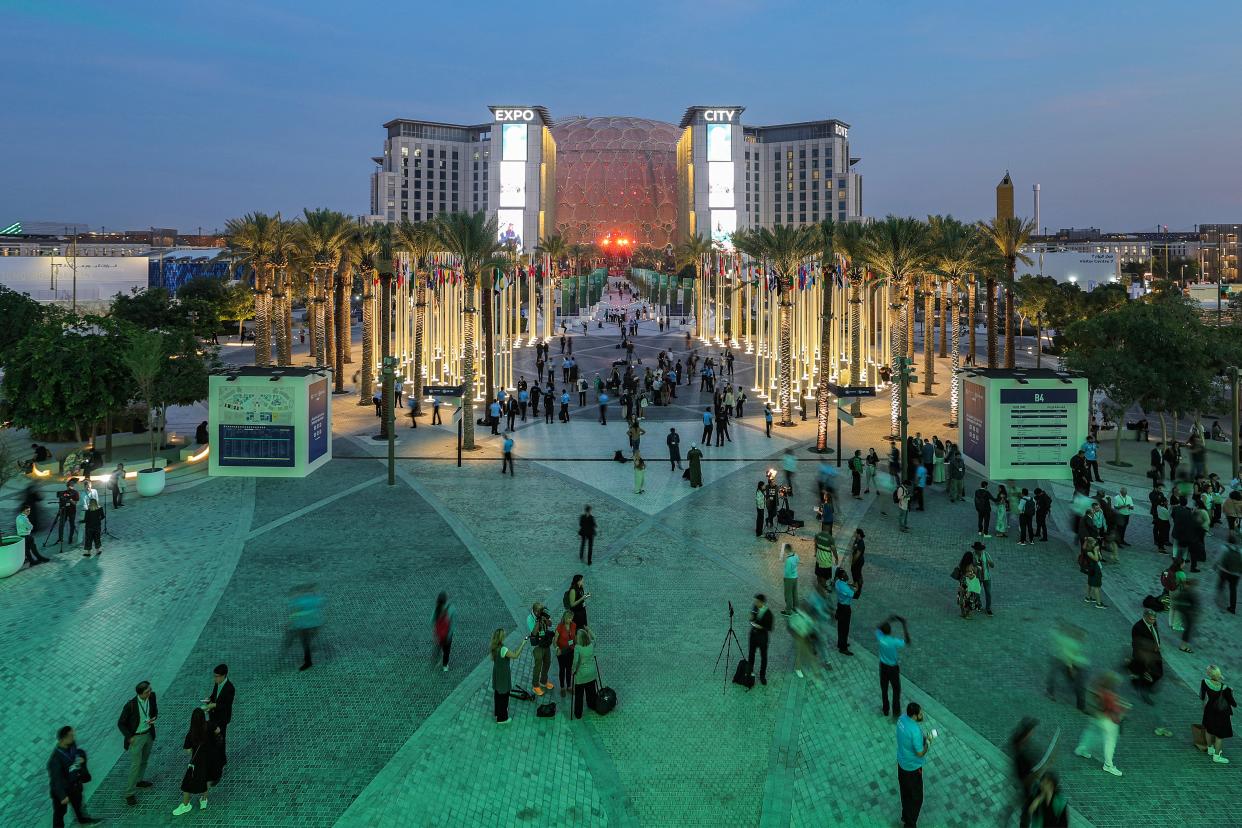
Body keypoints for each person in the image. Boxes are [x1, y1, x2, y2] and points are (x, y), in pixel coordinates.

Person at [1074, 671, 1127, 776]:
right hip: (1107, 720)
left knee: (1091, 732)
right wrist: (1123, 709)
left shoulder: (1095, 687)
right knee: (1110, 741)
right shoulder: (1109, 694)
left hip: (1096, 716)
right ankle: (1108, 765)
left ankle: (1081, 749)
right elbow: (1115, 709)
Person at [173, 706, 223, 816]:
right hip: (212, 758)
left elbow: (187, 749)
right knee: (207, 778)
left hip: (198, 761)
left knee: (187, 783)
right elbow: (218, 730)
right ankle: (204, 800)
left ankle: (186, 805)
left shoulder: (192, 733)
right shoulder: (210, 725)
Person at [48, 726, 100, 826]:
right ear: (63, 739)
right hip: (63, 790)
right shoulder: (55, 759)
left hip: (74, 785)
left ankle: (83, 820)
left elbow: (76, 754)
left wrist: (81, 759)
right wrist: (62, 796)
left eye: (73, 735)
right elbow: (56, 779)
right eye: (71, 736)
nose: (74, 737)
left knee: (79, 805)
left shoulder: (71, 745)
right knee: (60, 813)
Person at [118, 680, 158, 806]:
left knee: (144, 761)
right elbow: (121, 723)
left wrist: (154, 718)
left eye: (150, 690)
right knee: (135, 765)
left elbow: (155, 710)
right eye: (147, 692)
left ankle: (139, 781)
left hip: (148, 734)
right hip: (136, 737)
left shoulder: (152, 697)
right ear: (140, 693)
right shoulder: (131, 705)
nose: (150, 692)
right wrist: (129, 737)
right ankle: (129, 793)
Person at [896, 702, 934, 827]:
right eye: (920, 714)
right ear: (914, 715)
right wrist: (927, 743)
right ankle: (910, 824)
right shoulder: (915, 731)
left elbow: (910, 736)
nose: (922, 715)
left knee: (905, 793)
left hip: (901, 764)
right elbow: (919, 753)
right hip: (912, 769)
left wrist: (922, 738)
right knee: (917, 798)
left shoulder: (901, 719)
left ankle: (905, 816)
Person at [1046, 620, 1088, 712]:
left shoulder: (1069, 640)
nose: (1084, 639)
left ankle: (1050, 692)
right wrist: (1071, 668)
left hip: (1062, 659)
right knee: (1055, 676)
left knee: (1055, 675)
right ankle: (1080, 706)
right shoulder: (1072, 643)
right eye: (1083, 636)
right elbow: (1067, 656)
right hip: (1061, 659)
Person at [489, 628, 527, 725]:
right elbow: (515, 655)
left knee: (498, 694)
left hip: (497, 673)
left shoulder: (494, 646)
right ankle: (502, 718)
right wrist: (522, 644)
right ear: (501, 638)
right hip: (503, 675)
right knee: (504, 696)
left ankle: (498, 713)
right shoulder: (503, 649)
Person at [1200, 665, 1236, 764]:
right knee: (1219, 736)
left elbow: (1202, 696)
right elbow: (1233, 703)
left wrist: (1203, 706)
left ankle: (1210, 749)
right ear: (1218, 674)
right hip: (1221, 714)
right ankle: (1217, 756)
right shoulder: (1225, 688)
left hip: (1209, 710)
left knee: (1208, 729)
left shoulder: (1204, 682)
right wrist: (1231, 692)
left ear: (1208, 673)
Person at [877, 616, 909, 718]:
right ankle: (896, 711)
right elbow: (907, 641)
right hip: (893, 668)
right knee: (896, 690)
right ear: (890, 631)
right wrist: (904, 625)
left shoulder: (880, 637)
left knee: (884, 689)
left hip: (883, 667)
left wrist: (888, 619)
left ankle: (885, 709)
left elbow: (879, 627)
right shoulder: (894, 641)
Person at [1129, 608, 1163, 704]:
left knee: (1159, 673)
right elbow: (1136, 645)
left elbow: (1155, 634)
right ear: (1145, 617)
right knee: (1145, 675)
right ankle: (1144, 692)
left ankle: (1147, 686)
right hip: (1144, 656)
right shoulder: (1137, 628)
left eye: (1155, 619)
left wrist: (1157, 645)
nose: (1154, 621)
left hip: (1155, 653)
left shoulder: (1153, 623)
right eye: (1151, 619)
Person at [288, 584, 324, 671]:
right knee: (306, 640)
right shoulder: (314, 599)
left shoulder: (301, 601)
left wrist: (293, 618)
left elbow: (299, 612)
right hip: (314, 624)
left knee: (305, 643)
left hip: (305, 625)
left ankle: (308, 662)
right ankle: (307, 658)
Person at [205, 663, 234, 766]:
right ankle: (216, 757)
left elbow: (226, 705)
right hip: (214, 716)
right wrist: (210, 699)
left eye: (216, 676)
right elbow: (214, 695)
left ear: (223, 675)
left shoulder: (230, 688)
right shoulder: (217, 683)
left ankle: (221, 760)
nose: (214, 679)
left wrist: (214, 705)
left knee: (220, 739)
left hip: (222, 718)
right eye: (214, 676)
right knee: (214, 737)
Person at [527, 603, 555, 696]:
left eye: (541, 610)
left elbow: (550, 624)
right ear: (535, 611)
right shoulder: (530, 619)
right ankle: (535, 685)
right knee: (538, 666)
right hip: (538, 646)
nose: (541, 612)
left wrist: (546, 620)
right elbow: (534, 633)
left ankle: (543, 681)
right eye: (539, 611)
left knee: (547, 663)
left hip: (546, 643)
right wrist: (538, 622)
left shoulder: (544, 614)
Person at [571, 627, 598, 718]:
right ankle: (592, 705)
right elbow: (595, 637)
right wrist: (589, 629)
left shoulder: (577, 648)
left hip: (581, 675)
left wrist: (573, 671)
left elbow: (575, 661)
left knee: (579, 695)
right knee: (591, 691)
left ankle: (578, 714)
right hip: (592, 673)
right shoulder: (591, 645)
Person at [747, 593, 774, 685]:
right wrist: (751, 618)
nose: (755, 603)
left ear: (762, 602)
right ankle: (750, 672)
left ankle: (762, 676)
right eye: (755, 601)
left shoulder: (768, 613)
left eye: (757, 602)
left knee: (763, 657)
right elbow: (752, 618)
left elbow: (770, 628)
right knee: (751, 655)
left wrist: (761, 627)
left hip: (762, 638)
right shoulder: (754, 607)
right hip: (753, 636)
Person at [555, 610, 577, 698]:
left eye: (572, 618)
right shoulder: (560, 627)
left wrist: (576, 646)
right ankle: (562, 688)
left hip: (571, 650)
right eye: (569, 618)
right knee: (562, 669)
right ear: (565, 618)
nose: (571, 619)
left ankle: (568, 686)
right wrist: (557, 648)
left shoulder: (574, 625)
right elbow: (555, 640)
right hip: (562, 651)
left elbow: (574, 638)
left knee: (568, 669)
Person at [432, 592, 455, 671]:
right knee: (446, 651)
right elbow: (453, 624)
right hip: (447, 635)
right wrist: (449, 635)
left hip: (438, 634)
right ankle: (445, 666)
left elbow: (431, 620)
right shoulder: (451, 608)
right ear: (446, 600)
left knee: (438, 647)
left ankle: (435, 661)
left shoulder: (437, 608)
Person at [1217, 537, 1241, 614]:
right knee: (1233, 589)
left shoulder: (1225, 548)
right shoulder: (1240, 550)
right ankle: (1232, 608)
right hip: (1236, 574)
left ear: (1228, 541)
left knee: (1221, 586)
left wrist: (1216, 566)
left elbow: (1220, 560)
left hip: (1225, 572)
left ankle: (1221, 604)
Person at [972, 541, 996, 616]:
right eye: (978, 549)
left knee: (988, 593)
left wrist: (989, 562)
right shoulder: (972, 555)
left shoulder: (986, 554)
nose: (980, 551)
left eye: (980, 549)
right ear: (975, 549)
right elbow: (970, 566)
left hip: (986, 576)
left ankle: (988, 608)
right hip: (976, 577)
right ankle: (979, 604)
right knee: (976, 592)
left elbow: (992, 565)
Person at [1081, 538, 1104, 608]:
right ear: (1090, 544)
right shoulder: (1089, 552)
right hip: (1094, 570)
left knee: (1090, 583)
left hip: (1092, 569)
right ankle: (1098, 603)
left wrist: (1098, 551)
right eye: (1094, 543)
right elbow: (1096, 559)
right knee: (1097, 586)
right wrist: (1095, 551)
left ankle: (1088, 597)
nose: (1096, 544)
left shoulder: (1090, 549)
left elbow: (1100, 558)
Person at [781, 543, 800, 616]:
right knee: (795, 593)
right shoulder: (795, 555)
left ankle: (788, 611)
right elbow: (798, 561)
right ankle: (796, 608)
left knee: (788, 594)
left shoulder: (788, 560)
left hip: (789, 579)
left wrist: (785, 579)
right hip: (795, 577)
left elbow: (788, 572)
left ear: (786, 549)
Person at [849, 529, 866, 597]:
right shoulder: (857, 540)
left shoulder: (861, 543)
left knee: (858, 574)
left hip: (858, 561)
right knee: (853, 571)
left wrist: (853, 562)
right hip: (855, 560)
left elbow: (857, 555)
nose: (854, 533)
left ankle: (858, 590)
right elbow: (853, 547)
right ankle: (854, 583)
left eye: (855, 533)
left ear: (859, 534)